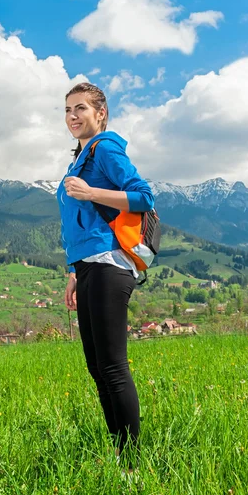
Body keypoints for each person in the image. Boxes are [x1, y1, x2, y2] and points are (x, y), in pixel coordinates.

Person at [56, 82, 154, 472]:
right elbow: (81, 225)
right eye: (67, 110)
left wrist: (90, 191)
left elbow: (143, 196)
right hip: (88, 265)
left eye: (80, 108)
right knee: (96, 366)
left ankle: (131, 465)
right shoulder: (78, 160)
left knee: (113, 366)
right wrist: (73, 273)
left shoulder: (106, 148)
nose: (72, 116)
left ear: (101, 113)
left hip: (111, 264)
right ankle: (119, 453)